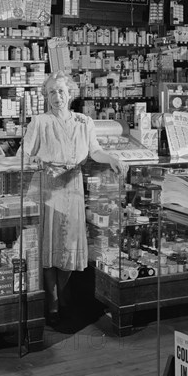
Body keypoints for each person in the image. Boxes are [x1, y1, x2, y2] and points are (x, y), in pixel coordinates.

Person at [18, 71, 124, 331]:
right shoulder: (39, 121)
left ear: (71, 93)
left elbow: (94, 150)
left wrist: (112, 159)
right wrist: (40, 162)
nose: (57, 97)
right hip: (49, 187)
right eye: (52, 92)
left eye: (61, 91)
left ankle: (60, 292)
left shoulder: (84, 121)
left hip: (73, 187)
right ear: (46, 95)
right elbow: (23, 153)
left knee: (70, 244)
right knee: (51, 244)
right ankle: (53, 301)